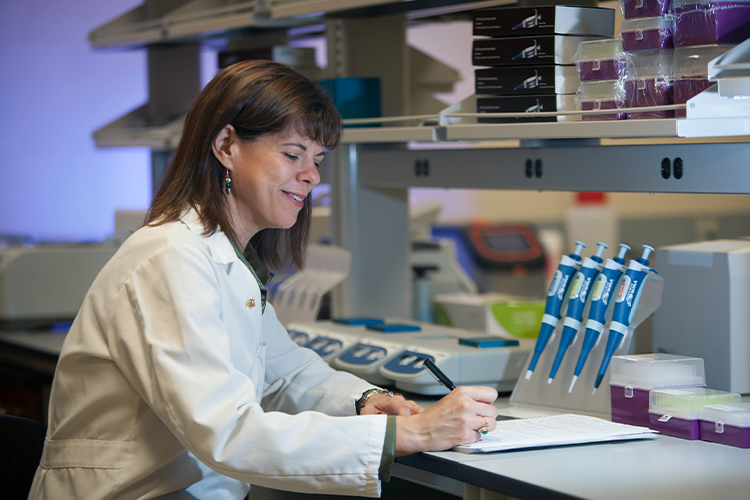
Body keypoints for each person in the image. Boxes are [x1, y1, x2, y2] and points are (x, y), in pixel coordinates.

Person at [28, 60, 499, 500]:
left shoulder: (224, 255)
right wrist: (409, 434)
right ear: (226, 146)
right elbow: (226, 432)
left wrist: (367, 400)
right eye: (293, 153)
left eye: (317, 158)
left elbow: (284, 372)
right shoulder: (171, 257)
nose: (311, 175)